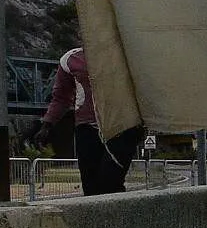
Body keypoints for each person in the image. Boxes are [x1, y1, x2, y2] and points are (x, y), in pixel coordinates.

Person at [41, 48, 146, 197]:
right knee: (90, 186)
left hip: (122, 126)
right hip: (87, 128)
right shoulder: (70, 59)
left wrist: (142, 122)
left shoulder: (125, 54)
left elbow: (143, 89)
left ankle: (117, 216)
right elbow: (61, 98)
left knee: (111, 183)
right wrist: (47, 124)